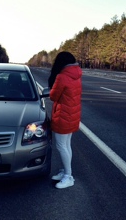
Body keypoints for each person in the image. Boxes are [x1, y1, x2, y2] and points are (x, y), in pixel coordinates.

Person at [48, 51, 82, 189]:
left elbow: (53, 96)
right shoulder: (76, 75)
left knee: (61, 146)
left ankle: (68, 176)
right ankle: (66, 172)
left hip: (63, 116)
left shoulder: (62, 77)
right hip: (72, 115)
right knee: (66, 145)